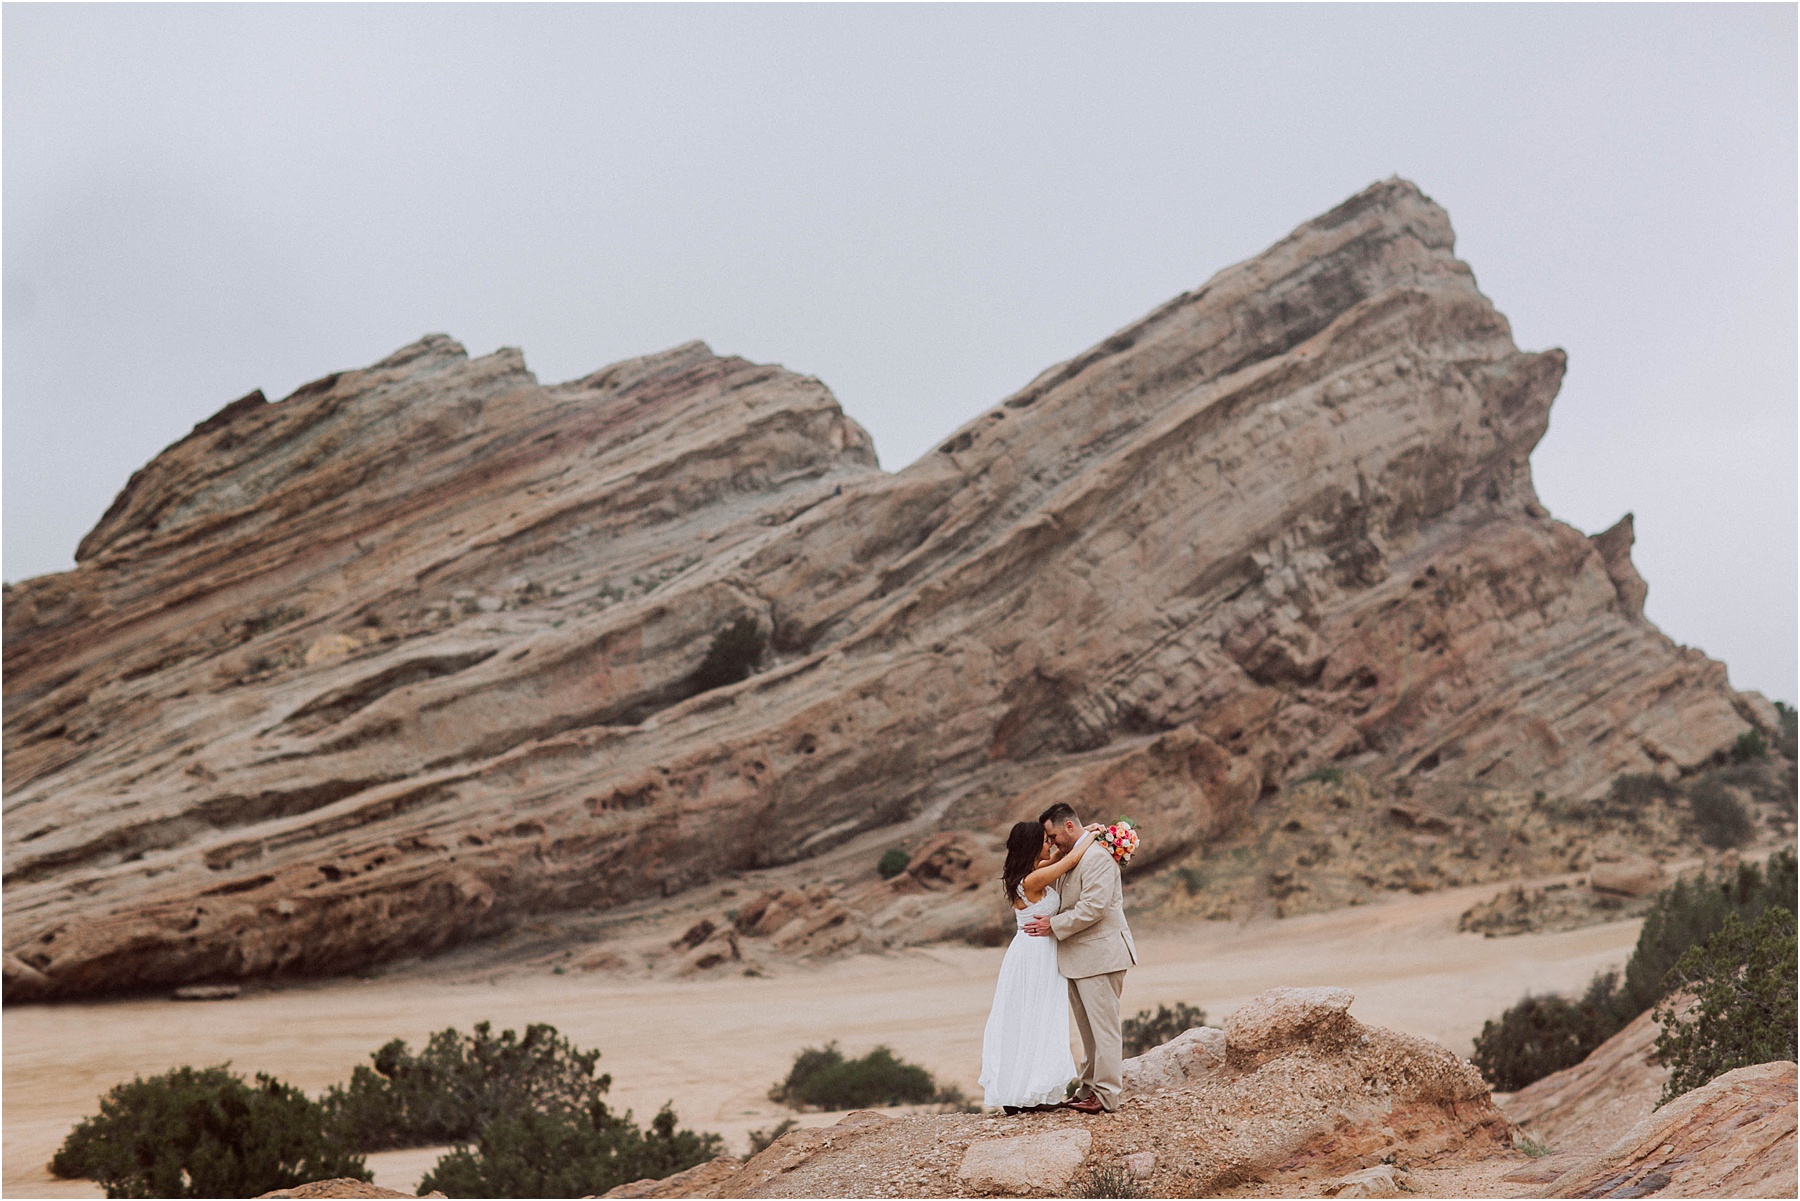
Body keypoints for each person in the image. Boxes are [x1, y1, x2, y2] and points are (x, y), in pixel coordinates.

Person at [977, 818, 1100, 1112]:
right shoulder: (1031, 880)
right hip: (1034, 955)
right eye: (1045, 840)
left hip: (1036, 951)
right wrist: (1093, 835)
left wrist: (1080, 837)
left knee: (1033, 1017)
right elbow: (1069, 860)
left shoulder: (1030, 873)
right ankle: (1028, 1094)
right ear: (1034, 845)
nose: (1050, 844)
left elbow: (1059, 857)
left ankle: (1025, 1093)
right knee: (1035, 1016)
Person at [1022, 802, 1137, 1115]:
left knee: (1105, 1030)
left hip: (1101, 957)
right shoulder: (1074, 857)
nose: (1051, 842)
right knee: (1088, 1033)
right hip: (1076, 958)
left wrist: (1052, 925)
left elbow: (1094, 907)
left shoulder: (1098, 858)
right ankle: (1087, 1088)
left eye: (1053, 835)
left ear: (1070, 827)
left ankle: (1107, 1095)